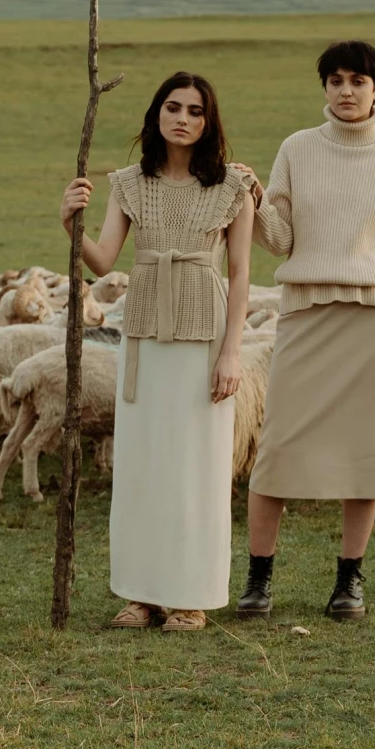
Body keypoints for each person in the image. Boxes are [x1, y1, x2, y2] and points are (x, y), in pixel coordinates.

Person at [60, 72, 255, 632]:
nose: (183, 119)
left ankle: (190, 596)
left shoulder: (231, 188)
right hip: (144, 337)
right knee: (144, 466)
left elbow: (241, 274)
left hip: (205, 337)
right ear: (156, 115)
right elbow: (102, 260)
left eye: (196, 111)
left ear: (208, 121)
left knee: (196, 467)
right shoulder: (128, 183)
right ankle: (142, 595)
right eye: (173, 108)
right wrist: (69, 222)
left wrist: (231, 354)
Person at [238, 40, 375, 621]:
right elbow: (280, 240)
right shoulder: (296, 148)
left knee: (365, 456)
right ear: (324, 87)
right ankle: (258, 579)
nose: (346, 91)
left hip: (374, 319)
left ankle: (349, 581)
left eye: (358, 81)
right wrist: (255, 198)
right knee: (275, 452)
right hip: (305, 315)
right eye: (335, 80)